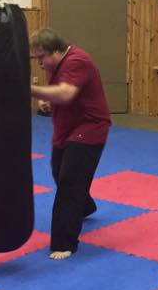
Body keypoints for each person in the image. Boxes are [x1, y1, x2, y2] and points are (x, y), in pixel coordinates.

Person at [30, 28, 111, 260]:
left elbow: (65, 93)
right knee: (59, 172)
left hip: (90, 127)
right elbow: (58, 90)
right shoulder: (55, 64)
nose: (39, 64)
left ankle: (64, 243)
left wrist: (27, 90)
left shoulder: (77, 61)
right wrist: (46, 99)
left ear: (55, 51)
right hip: (66, 127)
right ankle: (84, 206)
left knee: (69, 182)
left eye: (41, 57)